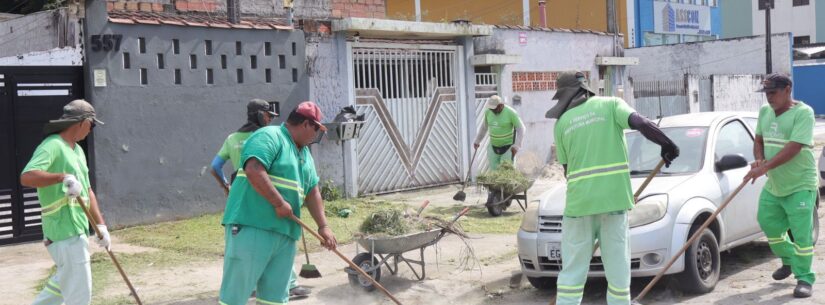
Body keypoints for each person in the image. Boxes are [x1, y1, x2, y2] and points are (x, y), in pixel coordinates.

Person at [547, 72, 679, 305]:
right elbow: (641, 123)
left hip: (579, 206)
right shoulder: (611, 105)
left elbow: (568, 171)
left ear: (565, 95)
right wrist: (666, 144)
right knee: (618, 271)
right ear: (585, 89)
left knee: (572, 272)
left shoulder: (562, 124)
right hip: (614, 204)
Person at [219, 101, 337, 305]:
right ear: (306, 124)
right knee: (236, 296)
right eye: (317, 129)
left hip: (285, 233)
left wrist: (323, 226)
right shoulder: (270, 136)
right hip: (253, 225)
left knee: (275, 299)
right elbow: (253, 168)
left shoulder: (305, 154)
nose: (316, 135)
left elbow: (312, 191)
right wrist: (279, 202)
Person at [22, 99, 110, 305]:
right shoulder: (52, 145)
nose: (92, 129)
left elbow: (87, 190)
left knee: (63, 283)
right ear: (82, 122)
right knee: (80, 292)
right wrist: (62, 177)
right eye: (92, 124)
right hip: (62, 231)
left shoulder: (77, 151)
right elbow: (27, 176)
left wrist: (101, 225)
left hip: (77, 229)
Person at [743, 73, 817, 298]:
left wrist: (764, 168)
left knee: (801, 236)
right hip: (775, 185)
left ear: (788, 89)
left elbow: (794, 147)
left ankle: (804, 278)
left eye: (773, 92)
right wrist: (758, 159)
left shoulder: (804, 113)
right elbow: (759, 140)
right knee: (768, 224)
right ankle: (789, 261)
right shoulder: (765, 112)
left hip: (800, 184)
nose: (769, 98)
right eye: (766, 93)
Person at [210, 99, 277, 196]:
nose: (271, 119)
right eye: (269, 115)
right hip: (262, 192)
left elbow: (215, 167)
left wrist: (226, 186)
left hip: (238, 192)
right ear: (260, 115)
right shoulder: (265, 137)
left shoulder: (231, 138)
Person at [473, 95, 526, 171]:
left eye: (494, 109)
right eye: (491, 108)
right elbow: (484, 128)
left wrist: (517, 145)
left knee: (506, 171)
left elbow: (521, 129)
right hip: (493, 146)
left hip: (508, 148)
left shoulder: (511, 113)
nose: (492, 110)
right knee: (494, 171)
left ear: (501, 105)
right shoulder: (488, 112)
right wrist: (477, 141)